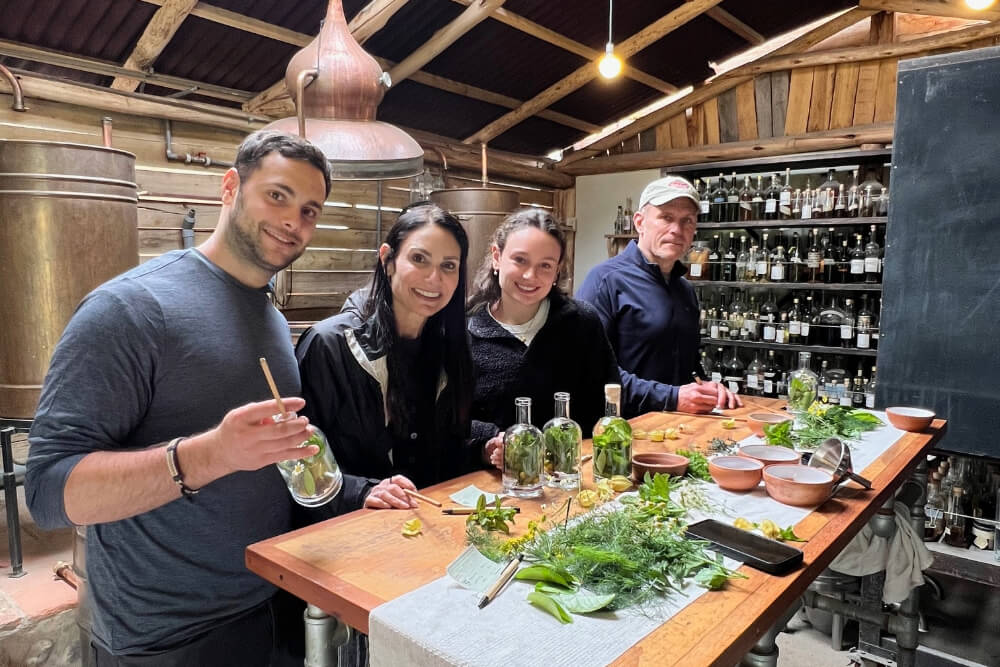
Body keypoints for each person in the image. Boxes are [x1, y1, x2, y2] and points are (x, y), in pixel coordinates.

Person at [26, 131, 337, 665]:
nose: (294, 222)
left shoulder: (270, 316)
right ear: (230, 187)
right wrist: (211, 454)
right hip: (161, 636)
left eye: (310, 210)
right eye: (278, 195)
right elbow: (50, 492)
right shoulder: (130, 308)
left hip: (267, 602)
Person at [296, 203, 478, 511]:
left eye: (449, 266)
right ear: (387, 260)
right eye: (419, 259)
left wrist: (485, 447)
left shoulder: (451, 348)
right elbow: (301, 459)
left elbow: (446, 446)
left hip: (423, 521)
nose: (434, 278)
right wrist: (362, 492)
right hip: (343, 531)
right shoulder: (331, 345)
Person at [576, 175, 741, 416]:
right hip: (620, 431)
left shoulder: (685, 291)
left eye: (687, 221)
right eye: (666, 218)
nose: (677, 230)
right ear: (639, 222)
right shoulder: (605, 281)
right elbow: (590, 370)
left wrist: (705, 386)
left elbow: (687, 366)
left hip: (674, 428)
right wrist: (672, 397)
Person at [466, 208, 618, 467]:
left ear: (557, 270)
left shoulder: (583, 323)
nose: (530, 276)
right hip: (484, 485)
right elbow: (443, 419)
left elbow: (605, 407)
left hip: (570, 476)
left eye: (545, 265)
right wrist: (488, 443)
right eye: (520, 260)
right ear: (496, 257)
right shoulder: (464, 330)